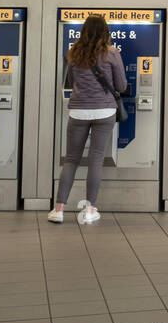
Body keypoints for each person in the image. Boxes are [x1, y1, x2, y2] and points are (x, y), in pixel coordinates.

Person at [50, 15, 128, 225]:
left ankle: (58, 209)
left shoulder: (74, 52)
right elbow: (121, 86)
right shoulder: (111, 53)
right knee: (95, 159)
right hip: (104, 112)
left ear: (84, 31)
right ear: (105, 31)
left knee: (71, 160)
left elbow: (73, 81)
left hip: (78, 111)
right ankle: (89, 210)